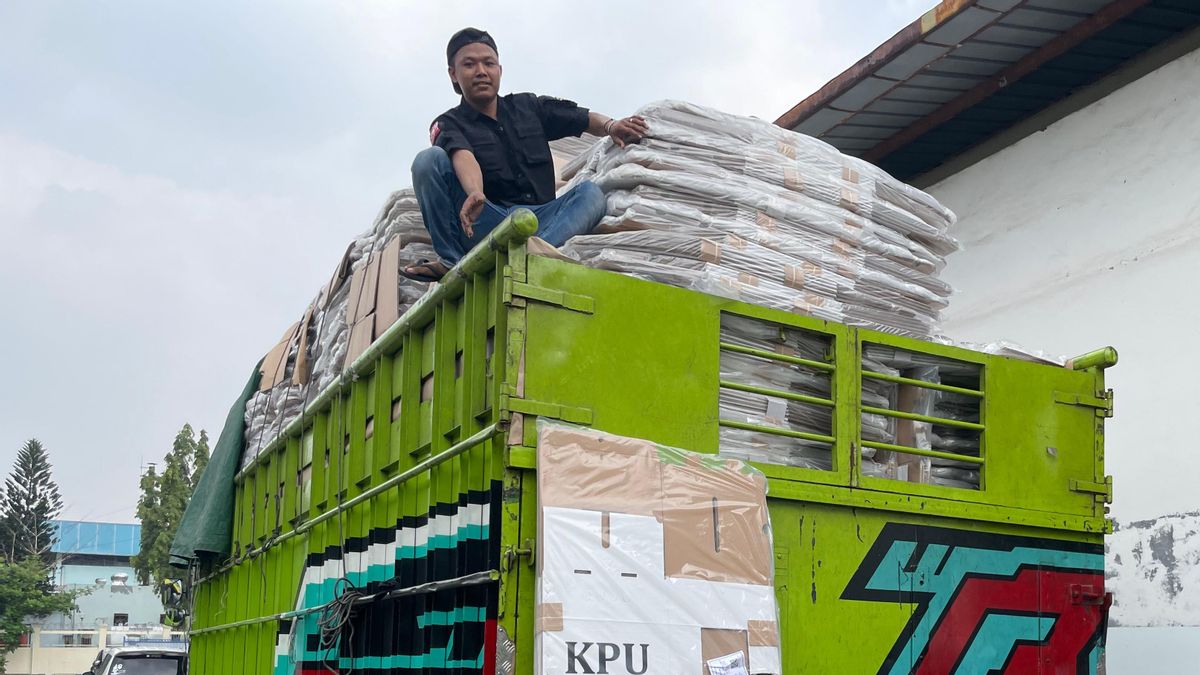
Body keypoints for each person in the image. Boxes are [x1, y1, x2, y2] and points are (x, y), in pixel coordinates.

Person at [403, 27, 648, 282]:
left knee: (591, 194)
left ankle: (527, 256)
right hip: (485, 222)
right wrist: (475, 192)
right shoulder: (449, 122)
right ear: (454, 74)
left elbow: (581, 118)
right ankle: (452, 263)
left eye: (489, 63)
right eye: (469, 64)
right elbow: (463, 155)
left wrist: (611, 126)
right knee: (427, 160)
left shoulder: (528, 107)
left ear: (500, 69)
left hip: (539, 221)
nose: (481, 71)